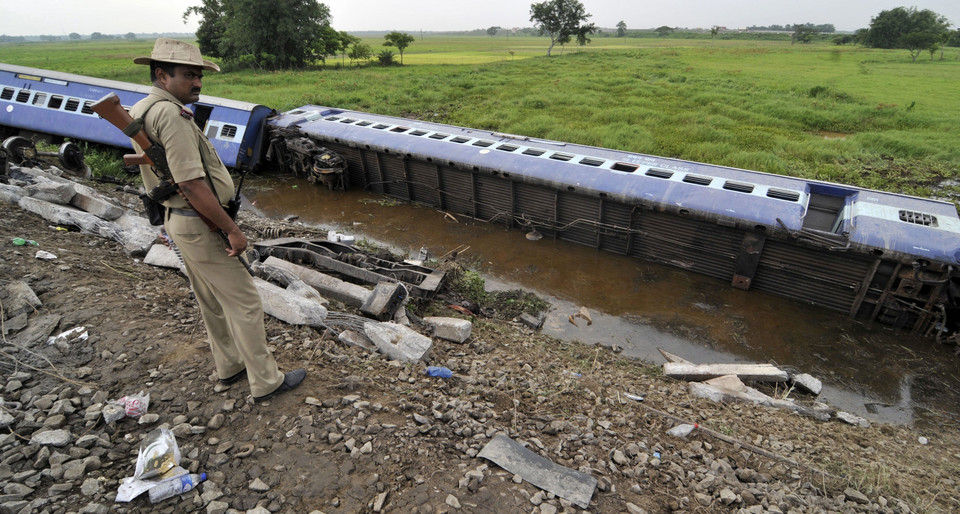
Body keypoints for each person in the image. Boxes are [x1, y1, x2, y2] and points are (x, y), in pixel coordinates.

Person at [129, 38, 305, 402]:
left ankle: (230, 365)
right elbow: (190, 182)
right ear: (162, 75)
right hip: (200, 221)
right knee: (245, 301)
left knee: (210, 299)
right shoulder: (171, 115)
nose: (197, 82)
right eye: (189, 75)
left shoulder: (143, 108)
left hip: (179, 219)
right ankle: (266, 381)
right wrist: (232, 230)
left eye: (199, 75)